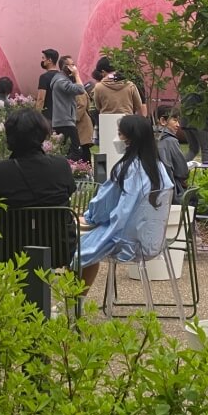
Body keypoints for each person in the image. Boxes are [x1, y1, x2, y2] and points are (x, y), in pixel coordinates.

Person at [77, 114, 171, 291]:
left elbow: (101, 207)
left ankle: (72, 303)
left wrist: (88, 218)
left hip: (123, 239)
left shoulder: (125, 168)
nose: (117, 139)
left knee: (76, 250)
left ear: (130, 139)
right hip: (152, 240)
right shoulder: (159, 168)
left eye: (120, 134)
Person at [0, 109, 75, 265]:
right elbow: (69, 192)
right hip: (59, 249)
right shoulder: (61, 166)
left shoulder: (0, 171)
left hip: (8, 251)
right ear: (42, 134)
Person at [50, 55, 87, 160]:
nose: (75, 67)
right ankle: (68, 170)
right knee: (76, 151)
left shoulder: (62, 80)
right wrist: (77, 74)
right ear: (66, 67)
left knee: (65, 150)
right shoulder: (62, 82)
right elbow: (80, 90)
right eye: (72, 65)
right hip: (65, 121)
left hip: (63, 120)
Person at [155, 105, 189, 203]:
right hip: (169, 193)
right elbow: (182, 172)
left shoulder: (146, 137)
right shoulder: (170, 140)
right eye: (175, 120)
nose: (178, 125)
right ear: (163, 121)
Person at [36, 49, 60, 125]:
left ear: (49, 60)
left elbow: (41, 99)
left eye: (43, 58)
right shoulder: (62, 76)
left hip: (47, 116)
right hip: (61, 116)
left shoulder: (44, 77)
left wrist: (36, 117)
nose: (42, 61)